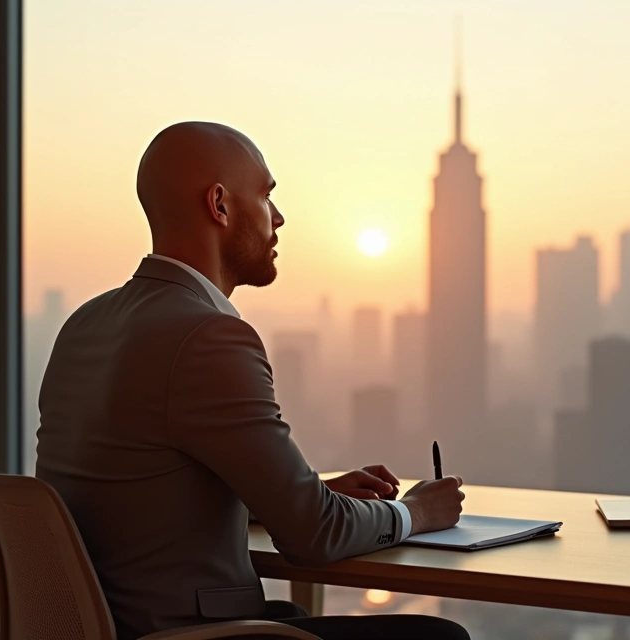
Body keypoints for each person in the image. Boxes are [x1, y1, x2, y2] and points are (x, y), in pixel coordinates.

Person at [36, 122, 470, 640]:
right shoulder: (208, 336)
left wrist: (298, 495)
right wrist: (415, 511)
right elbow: (315, 536)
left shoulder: (85, 323)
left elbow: (139, 494)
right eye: (266, 196)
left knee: (296, 618)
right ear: (219, 205)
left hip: (109, 626)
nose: (278, 217)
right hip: (186, 632)